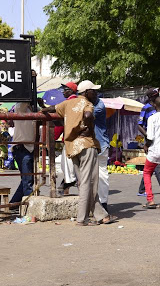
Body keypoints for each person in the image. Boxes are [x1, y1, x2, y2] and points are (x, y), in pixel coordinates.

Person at [43, 80, 117, 226]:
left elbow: (51, 108)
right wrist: (88, 127)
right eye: (93, 91)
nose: (95, 93)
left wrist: (41, 110)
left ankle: (101, 215)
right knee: (89, 183)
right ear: (86, 92)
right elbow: (89, 115)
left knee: (84, 181)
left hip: (72, 147)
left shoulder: (68, 103)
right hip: (86, 145)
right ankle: (82, 219)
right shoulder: (88, 104)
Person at [9, 103, 36, 205]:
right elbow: (22, 101)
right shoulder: (20, 106)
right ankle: (29, 206)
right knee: (27, 180)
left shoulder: (31, 109)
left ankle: (14, 203)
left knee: (27, 179)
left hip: (29, 147)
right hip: (22, 147)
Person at [93, 92, 110, 212]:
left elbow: (86, 115)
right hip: (91, 145)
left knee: (102, 175)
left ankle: (103, 203)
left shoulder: (99, 105)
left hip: (101, 145)